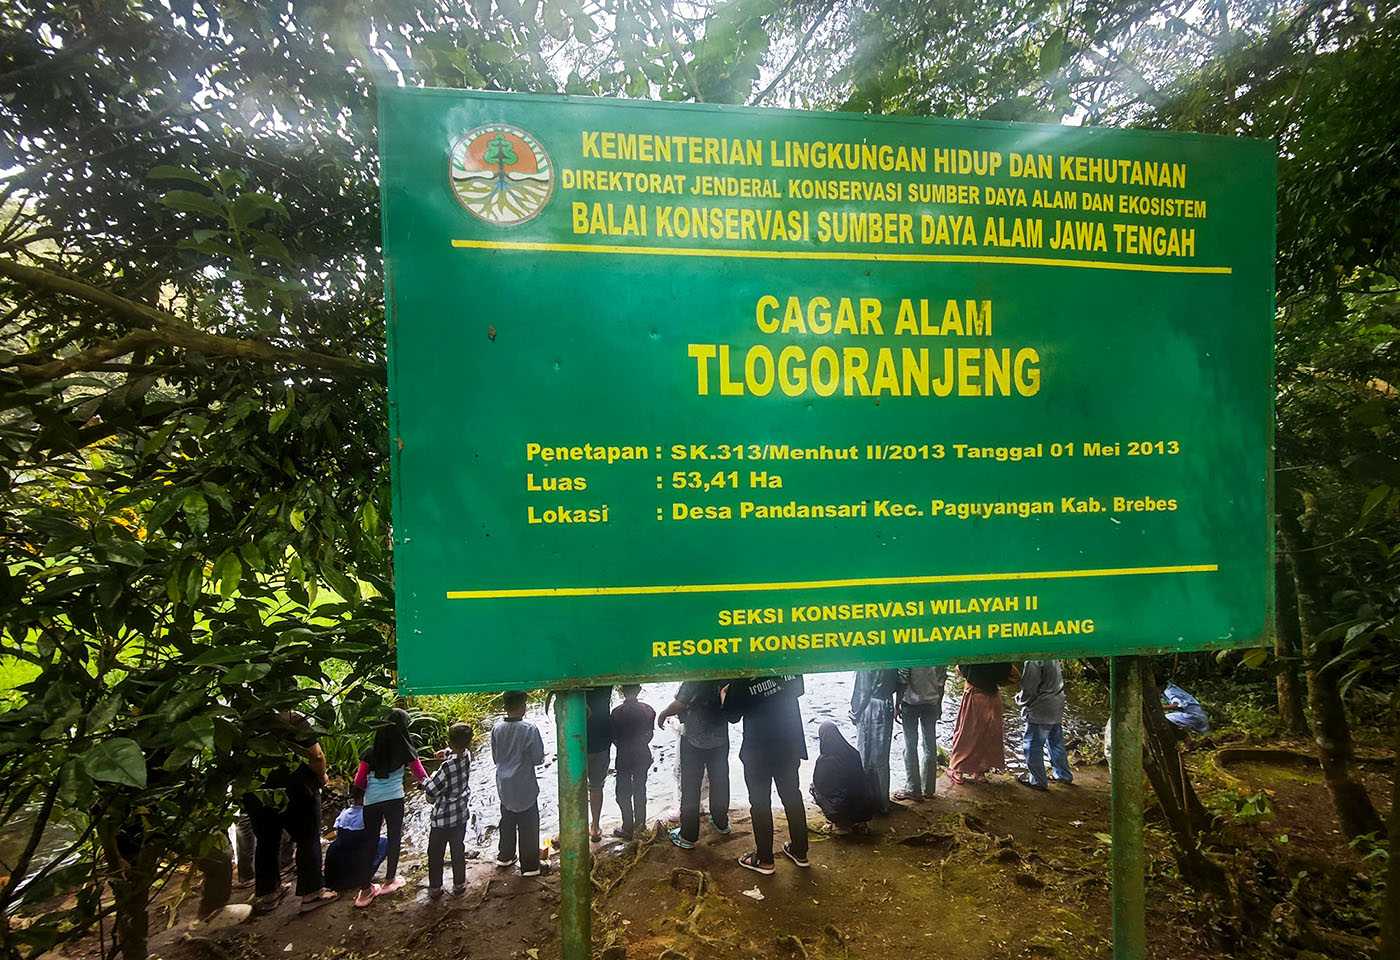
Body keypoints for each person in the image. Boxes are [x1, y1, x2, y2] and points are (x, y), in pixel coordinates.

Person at [243, 711, 339, 914]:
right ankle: (311, 893)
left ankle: (270, 893)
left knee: (266, 841)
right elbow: (317, 755)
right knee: (307, 838)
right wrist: (321, 776)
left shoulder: (243, 723)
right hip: (295, 789)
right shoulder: (292, 720)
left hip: (255, 791)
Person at [723, 675, 809, 875]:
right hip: (788, 742)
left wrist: (724, 693)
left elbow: (732, 715)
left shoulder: (744, 673)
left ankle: (765, 859)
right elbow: (799, 689)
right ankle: (800, 852)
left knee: (760, 803)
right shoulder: (788, 660)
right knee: (792, 797)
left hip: (758, 749)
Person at [352, 707, 428, 907]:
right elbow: (421, 776)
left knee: (370, 842)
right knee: (394, 837)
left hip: (372, 802)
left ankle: (365, 890)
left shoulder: (369, 752)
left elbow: (359, 782)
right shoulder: (407, 752)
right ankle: (389, 880)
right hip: (395, 801)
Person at [659, 679, 731, 849]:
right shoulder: (725, 673)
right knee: (720, 779)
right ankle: (721, 822)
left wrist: (663, 714)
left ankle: (688, 836)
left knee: (690, 785)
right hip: (720, 736)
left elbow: (680, 704)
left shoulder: (695, 675)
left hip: (693, 738)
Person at [492, 690, 547, 877]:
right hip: (525, 784)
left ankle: (505, 856)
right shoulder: (529, 729)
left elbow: (495, 757)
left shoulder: (496, 729)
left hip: (504, 785)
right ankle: (530, 866)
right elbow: (538, 758)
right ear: (524, 707)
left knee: (506, 820)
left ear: (504, 708)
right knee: (529, 825)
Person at [424, 722, 475, 898]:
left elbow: (431, 790)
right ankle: (459, 883)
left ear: (449, 740)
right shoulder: (467, 756)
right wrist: (445, 752)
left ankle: (436, 887)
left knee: (435, 853)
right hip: (460, 814)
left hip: (442, 818)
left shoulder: (446, 767)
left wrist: (423, 781)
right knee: (457, 849)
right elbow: (456, 752)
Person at [947, 662, 1020, 785]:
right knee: (988, 734)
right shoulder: (1000, 657)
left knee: (965, 733)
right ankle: (980, 771)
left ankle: (957, 770)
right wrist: (997, 682)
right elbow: (1015, 677)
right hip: (992, 697)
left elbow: (959, 670)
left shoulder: (973, 653)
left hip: (974, 695)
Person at [810, 722, 877, 833]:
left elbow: (819, 783)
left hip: (841, 810)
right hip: (865, 807)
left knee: (813, 788)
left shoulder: (825, 760)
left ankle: (839, 824)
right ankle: (859, 822)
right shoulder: (853, 753)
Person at [1016, 660, 1072, 790]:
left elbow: (1029, 690)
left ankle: (1037, 781)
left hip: (1042, 706)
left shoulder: (1033, 660)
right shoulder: (1052, 656)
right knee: (1055, 742)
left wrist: (1019, 699)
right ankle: (1063, 775)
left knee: (1032, 745)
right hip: (1057, 702)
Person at [609, 685, 655, 839]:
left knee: (622, 792)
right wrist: (641, 744)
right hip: (643, 753)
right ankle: (640, 826)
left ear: (621, 690)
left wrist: (624, 745)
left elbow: (614, 738)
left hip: (624, 755)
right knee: (640, 789)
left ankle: (627, 826)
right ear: (639, 689)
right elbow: (649, 734)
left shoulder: (616, 713)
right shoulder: (648, 710)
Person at [849, 670, 898, 814]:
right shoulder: (890, 657)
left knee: (865, 756)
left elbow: (863, 692)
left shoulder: (866, 659)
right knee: (882, 758)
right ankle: (882, 802)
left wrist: (854, 713)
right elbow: (897, 683)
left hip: (871, 708)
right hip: (887, 703)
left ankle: (866, 802)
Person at [895, 666, 946, 801]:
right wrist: (939, 705)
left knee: (910, 746)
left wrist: (896, 705)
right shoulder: (938, 651)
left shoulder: (910, 651)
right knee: (929, 745)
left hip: (910, 704)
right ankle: (928, 789)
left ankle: (913, 789)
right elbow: (941, 682)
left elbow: (903, 679)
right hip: (931, 703)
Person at [324, 787, 389, 891]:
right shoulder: (369, 815)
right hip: (354, 872)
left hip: (335, 871)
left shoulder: (345, 813)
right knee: (386, 843)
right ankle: (368, 880)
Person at [585, 685, 613, 842]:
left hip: (576, 737)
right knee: (596, 786)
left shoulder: (574, 675)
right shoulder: (604, 675)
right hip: (601, 739)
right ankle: (595, 827)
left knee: (573, 786)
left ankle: (572, 827)